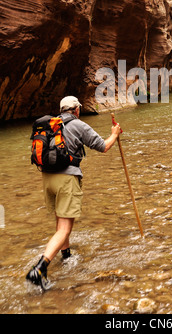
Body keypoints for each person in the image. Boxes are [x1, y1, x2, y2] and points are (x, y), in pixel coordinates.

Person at [26, 96, 121, 290]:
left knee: (60, 220)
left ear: (61, 110)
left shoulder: (52, 124)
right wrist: (115, 133)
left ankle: (66, 255)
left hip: (47, 178)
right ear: (76, 110)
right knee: (64, 229)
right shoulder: (79, 125)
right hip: (66, 179)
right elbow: (103, 147)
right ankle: (40, 268)